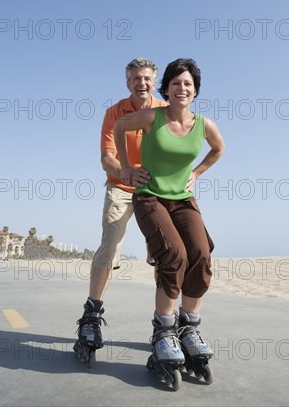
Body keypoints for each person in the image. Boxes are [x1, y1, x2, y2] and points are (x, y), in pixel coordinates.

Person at [114, 58, 225, 365]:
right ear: (167, 88)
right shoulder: (152, 116)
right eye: (176, 83)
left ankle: (189, 329)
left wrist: (198, 172)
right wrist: (126, 167)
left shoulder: (203, 125)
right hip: (149, 196)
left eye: (187, 83)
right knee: (174, 254)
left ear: (195, 90)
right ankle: (163, 331)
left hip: (183, 198)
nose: (182, 88)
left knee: (201, 254)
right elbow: (120, 126)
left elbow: (219, 149)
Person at [75, 58, 167, 350]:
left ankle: (164, 324)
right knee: (110, 244)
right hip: (121, 186)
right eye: (136, 78)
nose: (142, 83)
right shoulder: (114, 113)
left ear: (155, 82)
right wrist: (127, 172)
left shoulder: (166, 111)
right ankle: (92, 314)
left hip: (156, 189)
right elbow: (106, 158)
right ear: (128, 83)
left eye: (147, 78)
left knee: (163, 253)